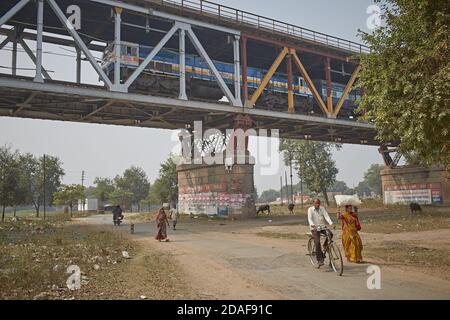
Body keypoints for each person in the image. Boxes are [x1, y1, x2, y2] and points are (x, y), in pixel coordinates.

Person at [307, 199, 334, 266]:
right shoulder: (310, 209)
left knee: (330, 234)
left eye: (318, 203)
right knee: (317, 242)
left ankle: (325, 245)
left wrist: (331, 223)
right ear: (313, 203)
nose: (317, 205)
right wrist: (312, 224)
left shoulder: (322, 208)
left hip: (322, 227)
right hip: (314, 228)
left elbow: (326, 216)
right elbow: (309, 218)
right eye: (316, 203)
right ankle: (319, 259)